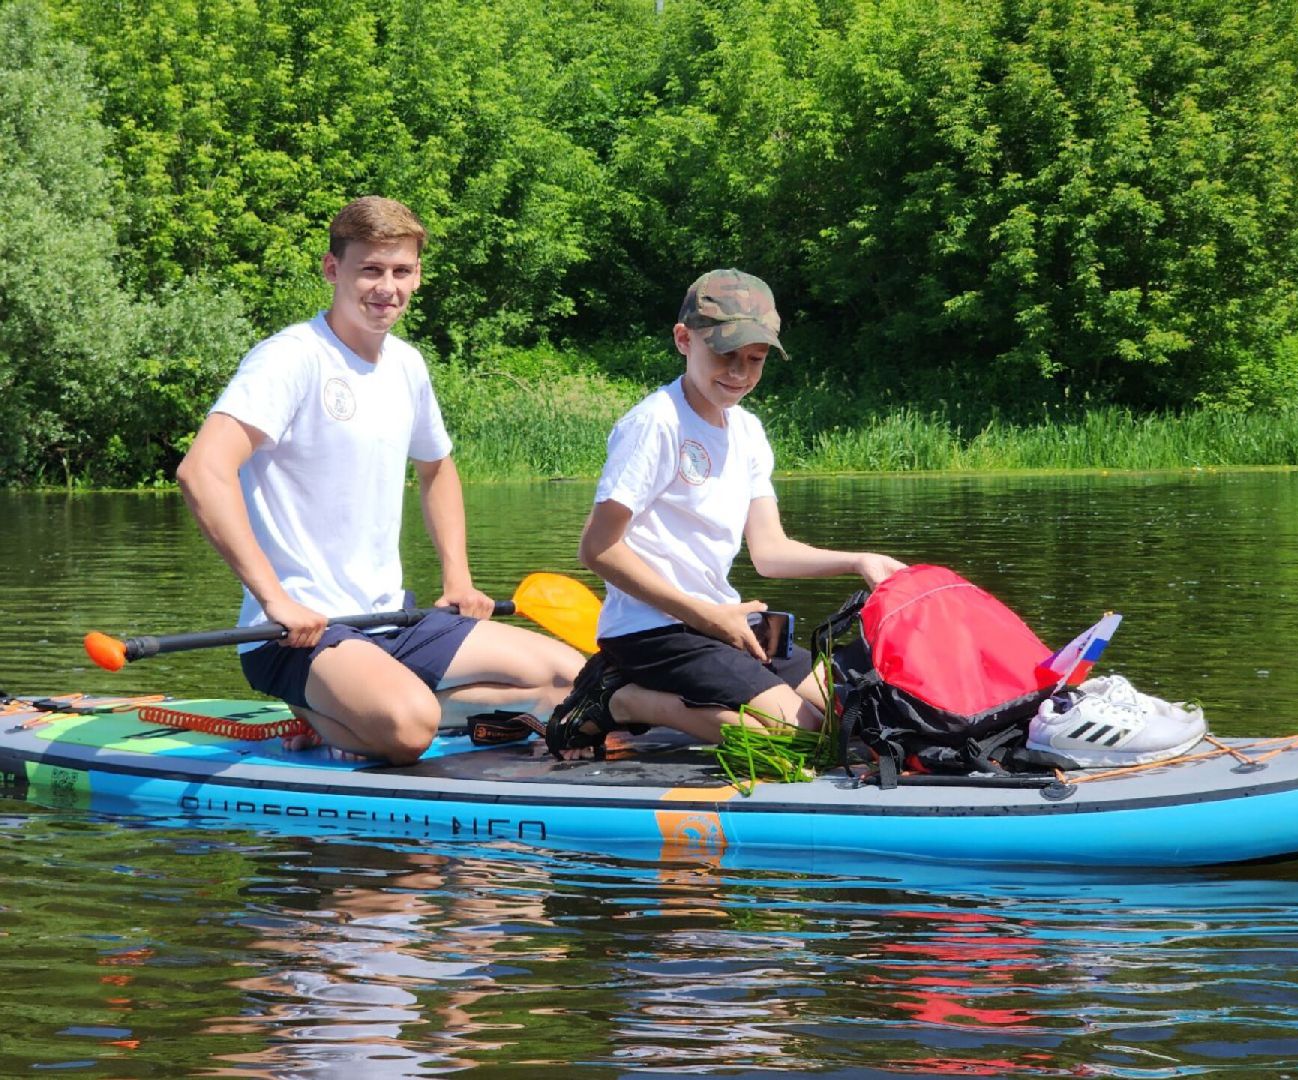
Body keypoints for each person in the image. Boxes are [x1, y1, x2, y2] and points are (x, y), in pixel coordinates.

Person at [176, 196, 583, 765]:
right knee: (410, 728)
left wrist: (459, 579)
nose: (386, 287)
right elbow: (202, 470)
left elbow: (437, 468)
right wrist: (276, 601)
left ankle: (371, 700)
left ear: (417, 275)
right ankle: (329, 708)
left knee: (578, 681)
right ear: (332, 269)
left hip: (393, 620)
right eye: (370, 269)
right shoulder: (291, 359)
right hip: (297, 634)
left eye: (401, 271)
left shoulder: (407, 366)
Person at [546, 268, 906, 758]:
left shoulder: (748, 431)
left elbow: (771, 553)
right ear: (683, 340)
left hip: (723, 622)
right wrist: (709, 617)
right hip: (651, 632)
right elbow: (598, 548)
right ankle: (619, 699)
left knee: (859, 719)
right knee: (798, 739)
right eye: (724, 354)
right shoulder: (656, 424)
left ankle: (694, 686)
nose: (738, 373)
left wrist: (859, 560)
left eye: (754, 359)